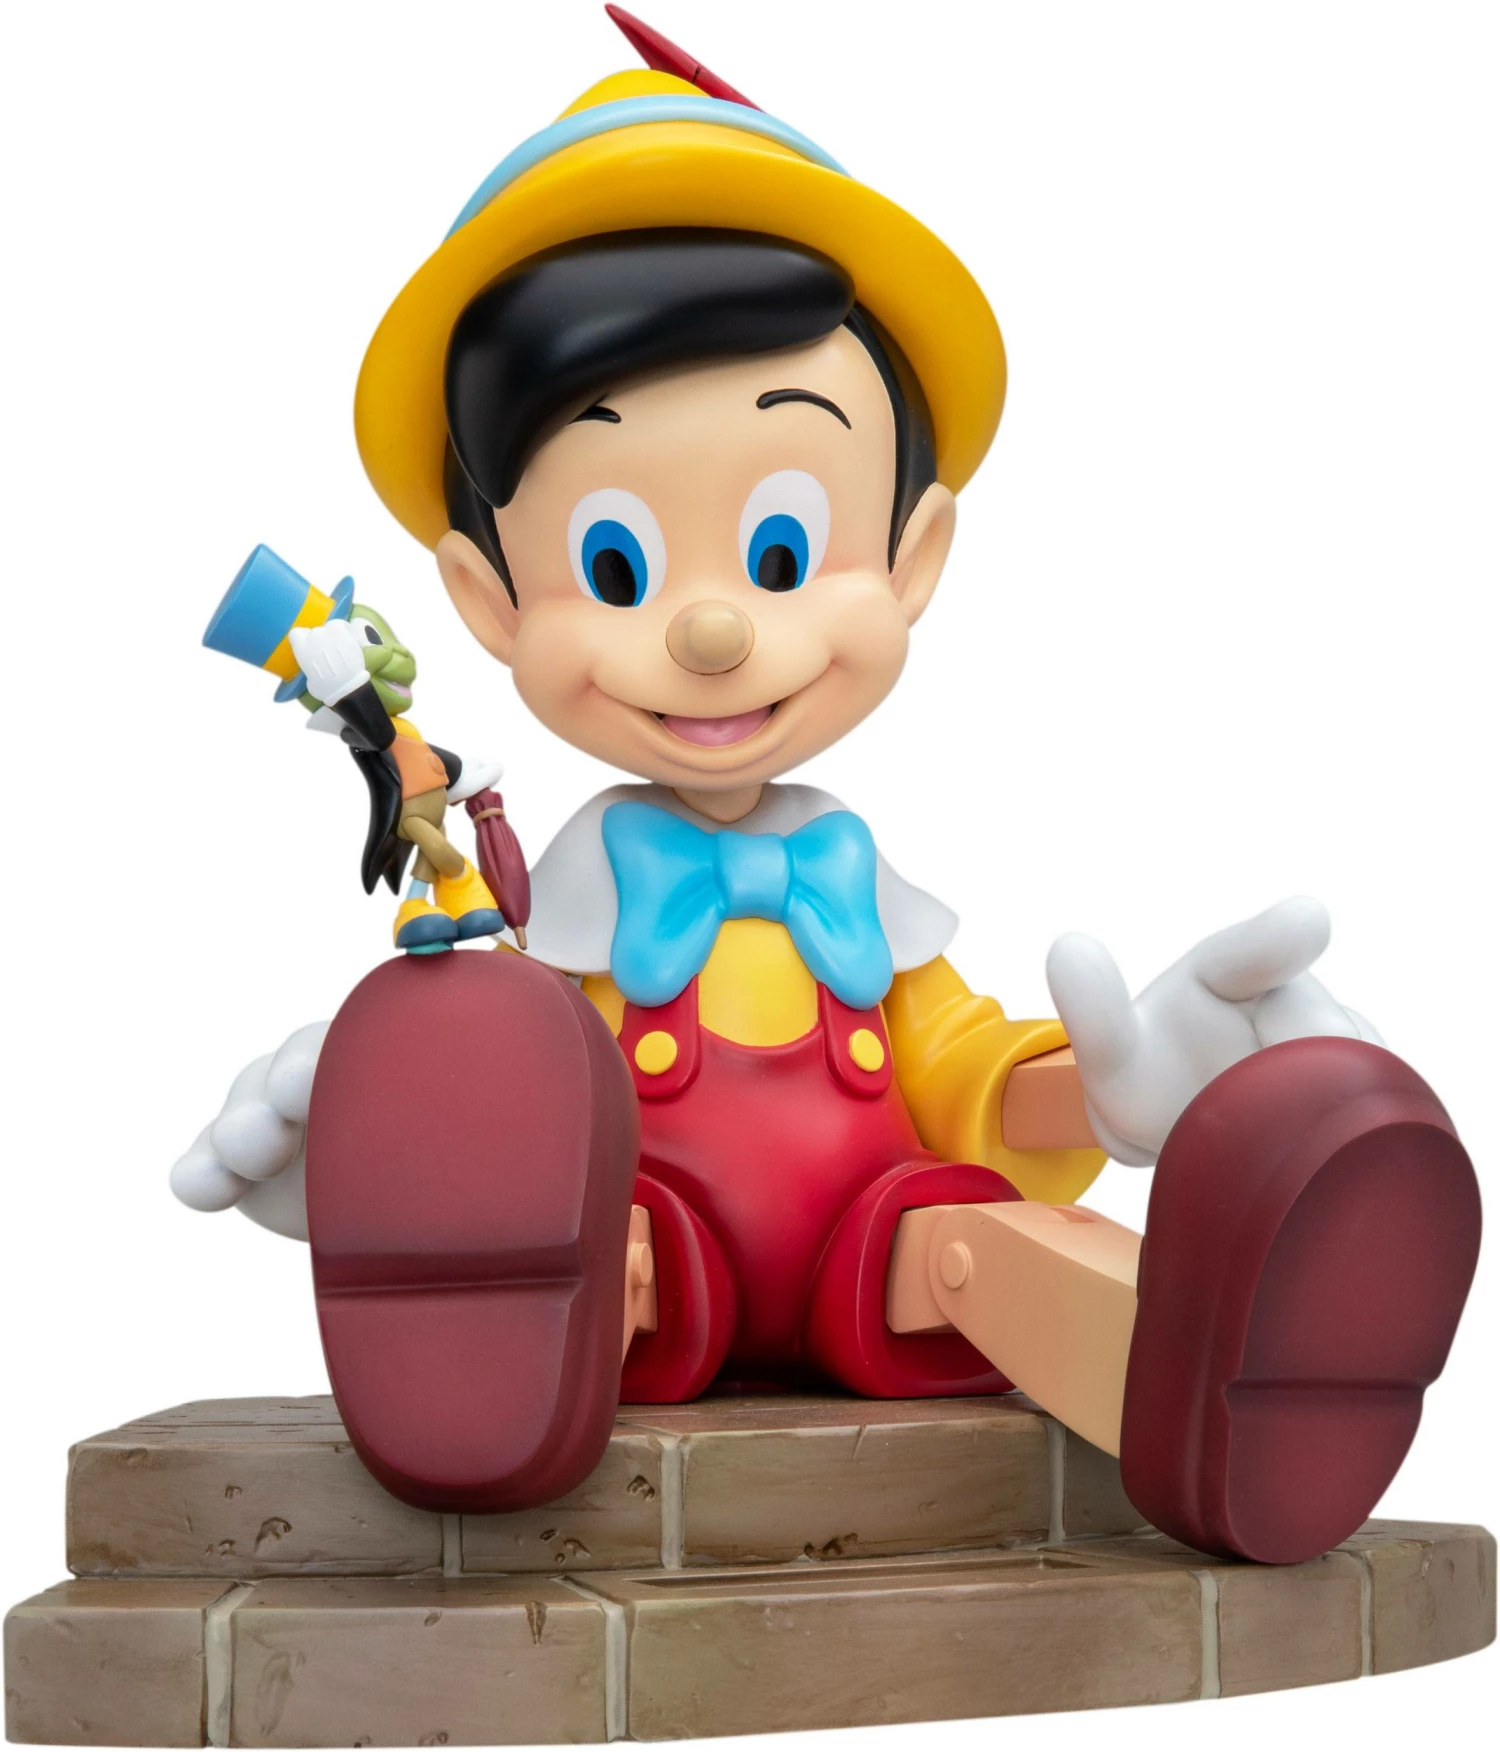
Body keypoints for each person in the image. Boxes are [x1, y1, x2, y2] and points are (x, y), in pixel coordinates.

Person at [171, 10, 1481, 1561]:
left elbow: (957, 1068)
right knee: (580, 1243)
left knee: (992, 1243)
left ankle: (1238, 1384)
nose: (716, 630)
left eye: (784, 552)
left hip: (879, 1255)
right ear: (489, 601)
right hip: (645, 1265)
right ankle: (458, 1332)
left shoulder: (858, 888)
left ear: (910, 560)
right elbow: (504, 1099)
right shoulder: (558, 930)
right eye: (618, 565)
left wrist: (1108, 1090)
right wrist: (392, 1154)